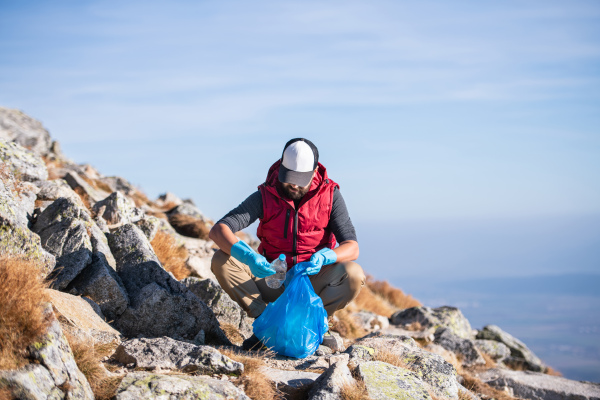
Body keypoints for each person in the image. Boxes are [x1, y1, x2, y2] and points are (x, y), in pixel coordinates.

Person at [209, 138, 365, 350]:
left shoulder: (331, 196)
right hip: (273, 278)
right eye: (289, 177)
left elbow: (352, 247)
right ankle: (267, 324)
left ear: (314, 171)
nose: (293, 184)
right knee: (221, 259)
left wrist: (326, 256)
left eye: (300, 179)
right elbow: (219, 230)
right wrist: (249, 257)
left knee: (353, 274)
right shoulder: (266, 194)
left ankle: (317, 321)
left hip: (312, 282)